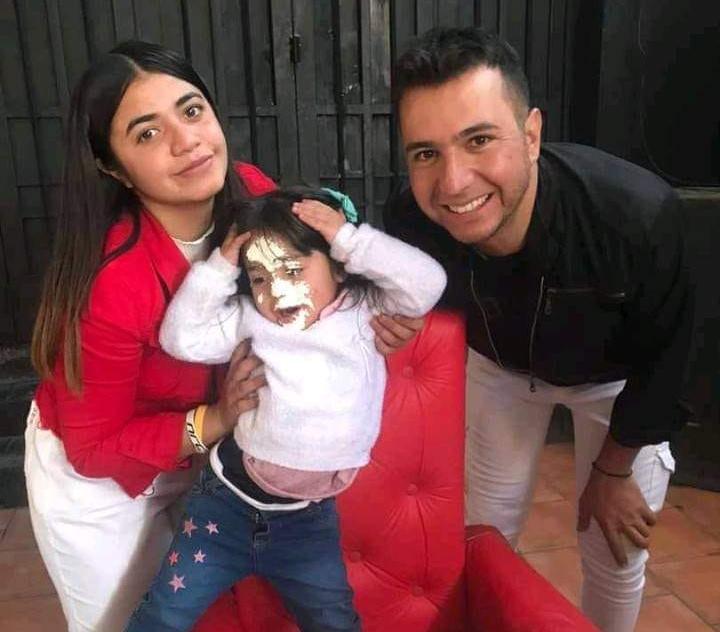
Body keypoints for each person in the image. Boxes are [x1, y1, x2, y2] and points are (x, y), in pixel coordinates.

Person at [25, 41, 420, 632]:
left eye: (191, 111)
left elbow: (328, 270)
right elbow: (94, 447)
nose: (187, 141)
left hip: (219, 467)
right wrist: (217, 418)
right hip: (104, 479)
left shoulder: (251, 194)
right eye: (147, 133)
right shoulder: (112, 283)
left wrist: (381, 310)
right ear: (113, 168)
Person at [384, 27, 693, 632]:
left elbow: (667, 361)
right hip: (501, 371)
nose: (453, 182)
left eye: (479, 140)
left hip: (616, 384)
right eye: (425, 153)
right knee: (483, 533)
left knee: (615, 547)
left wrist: (614, 470)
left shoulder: (635, 216)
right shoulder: (411, 221)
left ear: (531, 135)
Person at [124, 187, 446, 631]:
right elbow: (180, 339)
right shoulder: (251, 318)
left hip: (308, 523)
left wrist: (348, 238)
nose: (276, 291)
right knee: (163, 616)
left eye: (293, 269)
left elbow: (428, 283)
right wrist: (220, 267)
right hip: (224, 509)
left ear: (338, 265)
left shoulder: (364, 311)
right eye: (259, 278)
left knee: (335, 623)